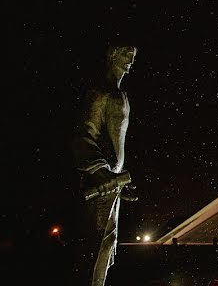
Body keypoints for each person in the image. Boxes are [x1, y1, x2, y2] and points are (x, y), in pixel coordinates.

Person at [70, 43, 139, 286]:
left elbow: (114, 143)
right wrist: (100, 172)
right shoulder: (100, 93)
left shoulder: (122, 96)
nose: (131, 59)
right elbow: (83, 136)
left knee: (107, 244)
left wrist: (118, 176)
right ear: (111, 55)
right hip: (100, 184)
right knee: (94, 246)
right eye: (126, 53)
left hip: (113, 184)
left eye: (133, 55)